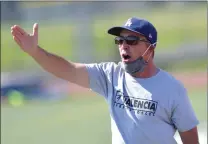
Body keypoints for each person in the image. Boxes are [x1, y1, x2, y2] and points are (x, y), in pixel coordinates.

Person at [11, 17, 199, 144]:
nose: (124, 46)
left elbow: (191, 140)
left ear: (150, 48)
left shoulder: (173, 89)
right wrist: (35, 52)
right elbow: (67, 70)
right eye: (120, 41)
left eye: (132, 40)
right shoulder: (110, 75)